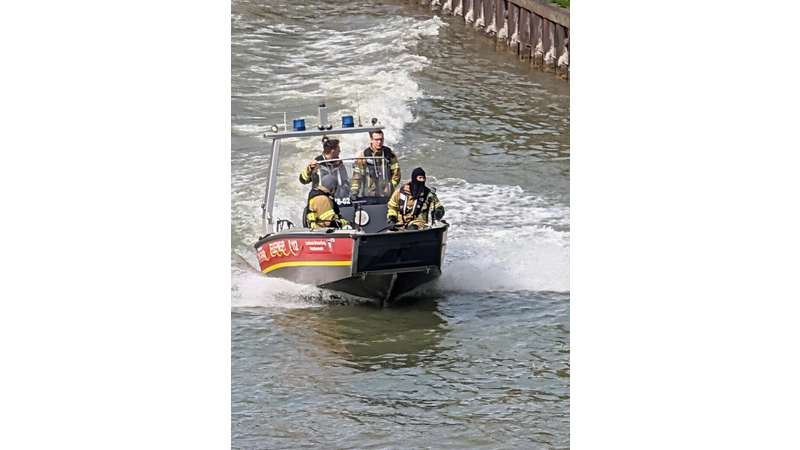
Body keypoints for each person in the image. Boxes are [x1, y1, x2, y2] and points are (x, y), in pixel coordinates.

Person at [349, 129, 400, 199]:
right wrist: (354, 192)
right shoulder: (365, 155)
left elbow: (396, 173)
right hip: (369, 194)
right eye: (376, 140)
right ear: (371, 140)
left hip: (387, 195)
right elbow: (357, 175)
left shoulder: (389, 154)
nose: (379, 142)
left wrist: (391, 186)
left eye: (381, 139)